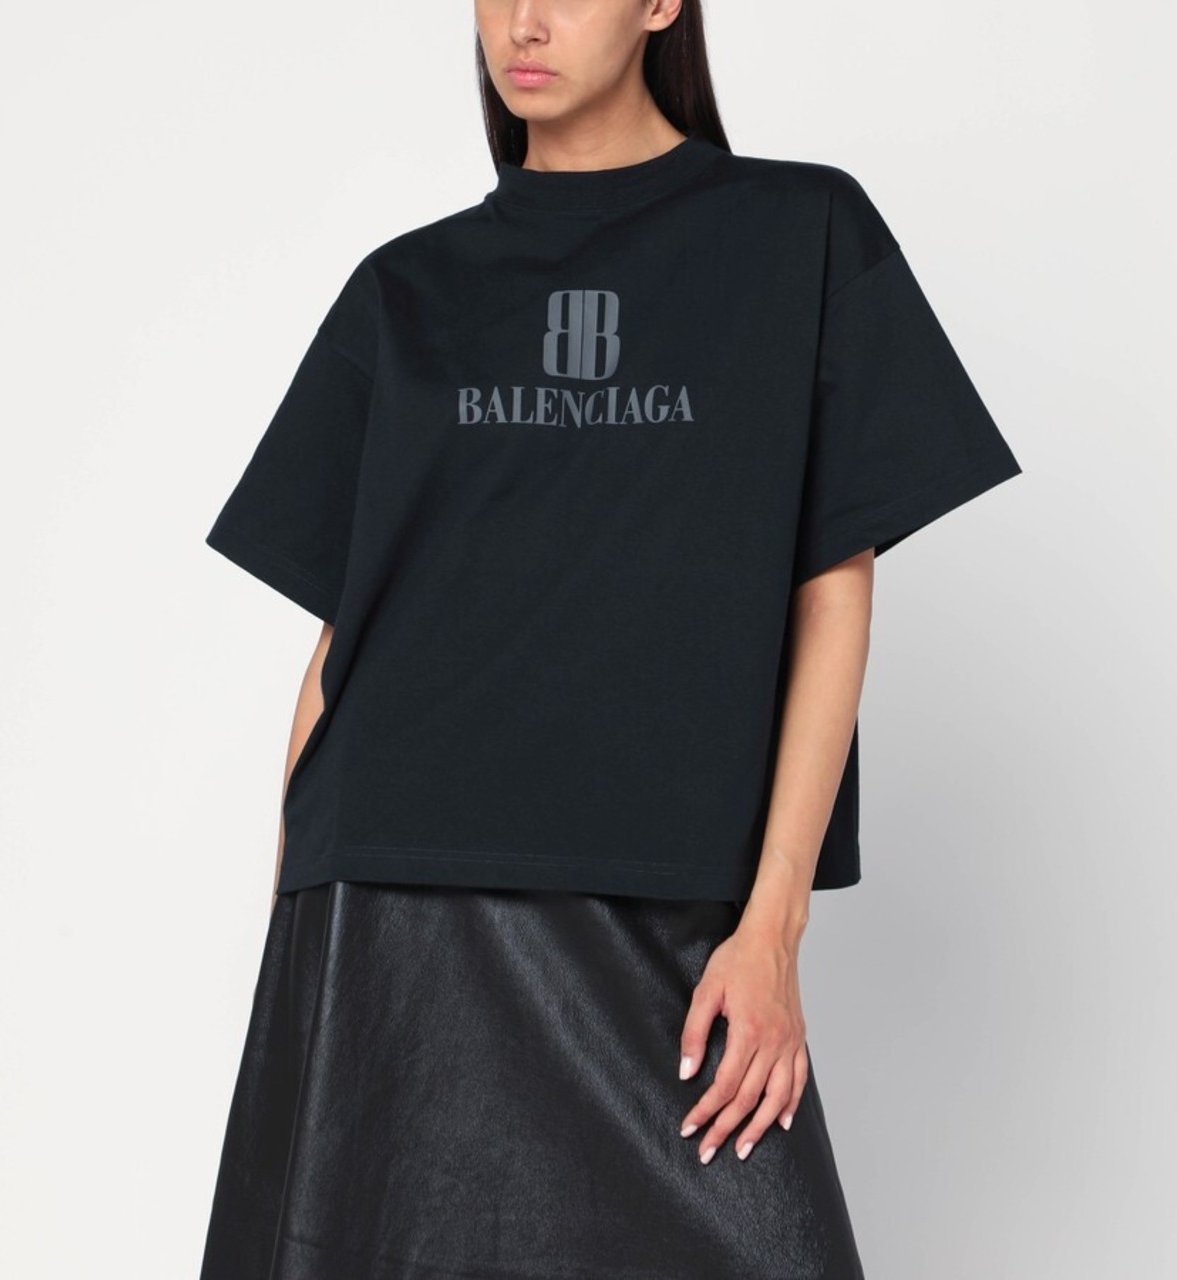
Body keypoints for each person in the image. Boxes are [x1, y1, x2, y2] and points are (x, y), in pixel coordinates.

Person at [197, 2, 1023, 1276]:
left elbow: (831, 585)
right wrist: (292, 942)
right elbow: (339, 643)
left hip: (668, 906)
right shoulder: (405, 289)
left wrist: (770, 928)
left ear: (660, 4)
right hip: (395, 897)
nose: (523, 21)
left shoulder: (799, 234)